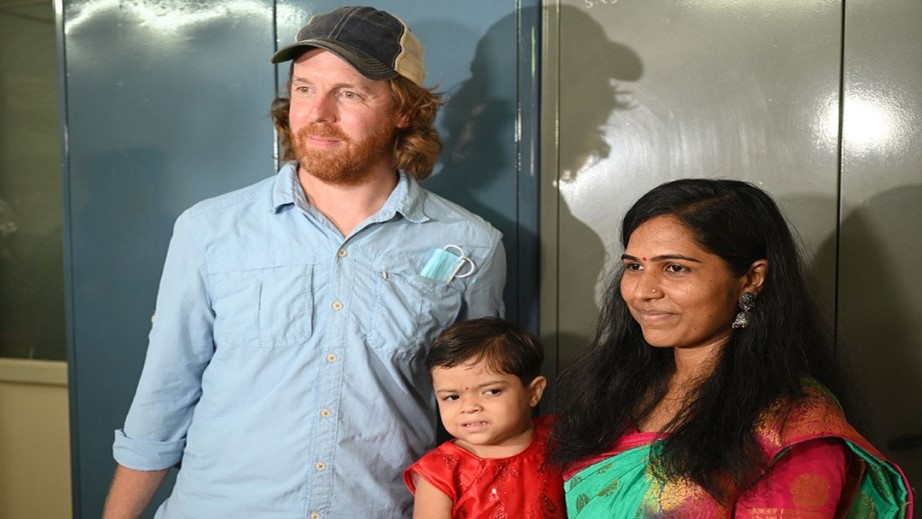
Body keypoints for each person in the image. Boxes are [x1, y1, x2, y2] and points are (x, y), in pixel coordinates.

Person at [102, 6, 506, 519]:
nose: (319, 113)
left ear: (404, 110)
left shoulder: (470, 245)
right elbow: (163, 398)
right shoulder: (208, 230)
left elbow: (483, 420)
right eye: (304, 88)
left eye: (349, 93)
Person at [548, 178, 914, 517]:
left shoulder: (790, 425)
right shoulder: (615, 387)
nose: (642, 291)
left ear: (751, 278)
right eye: (634, 266)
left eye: (675, 268)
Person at [404, 317, 565, 518]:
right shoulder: (440, 473)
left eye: (491, 392)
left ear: (533, 392)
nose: (469, 407)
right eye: (452, 397)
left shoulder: (558, 437)